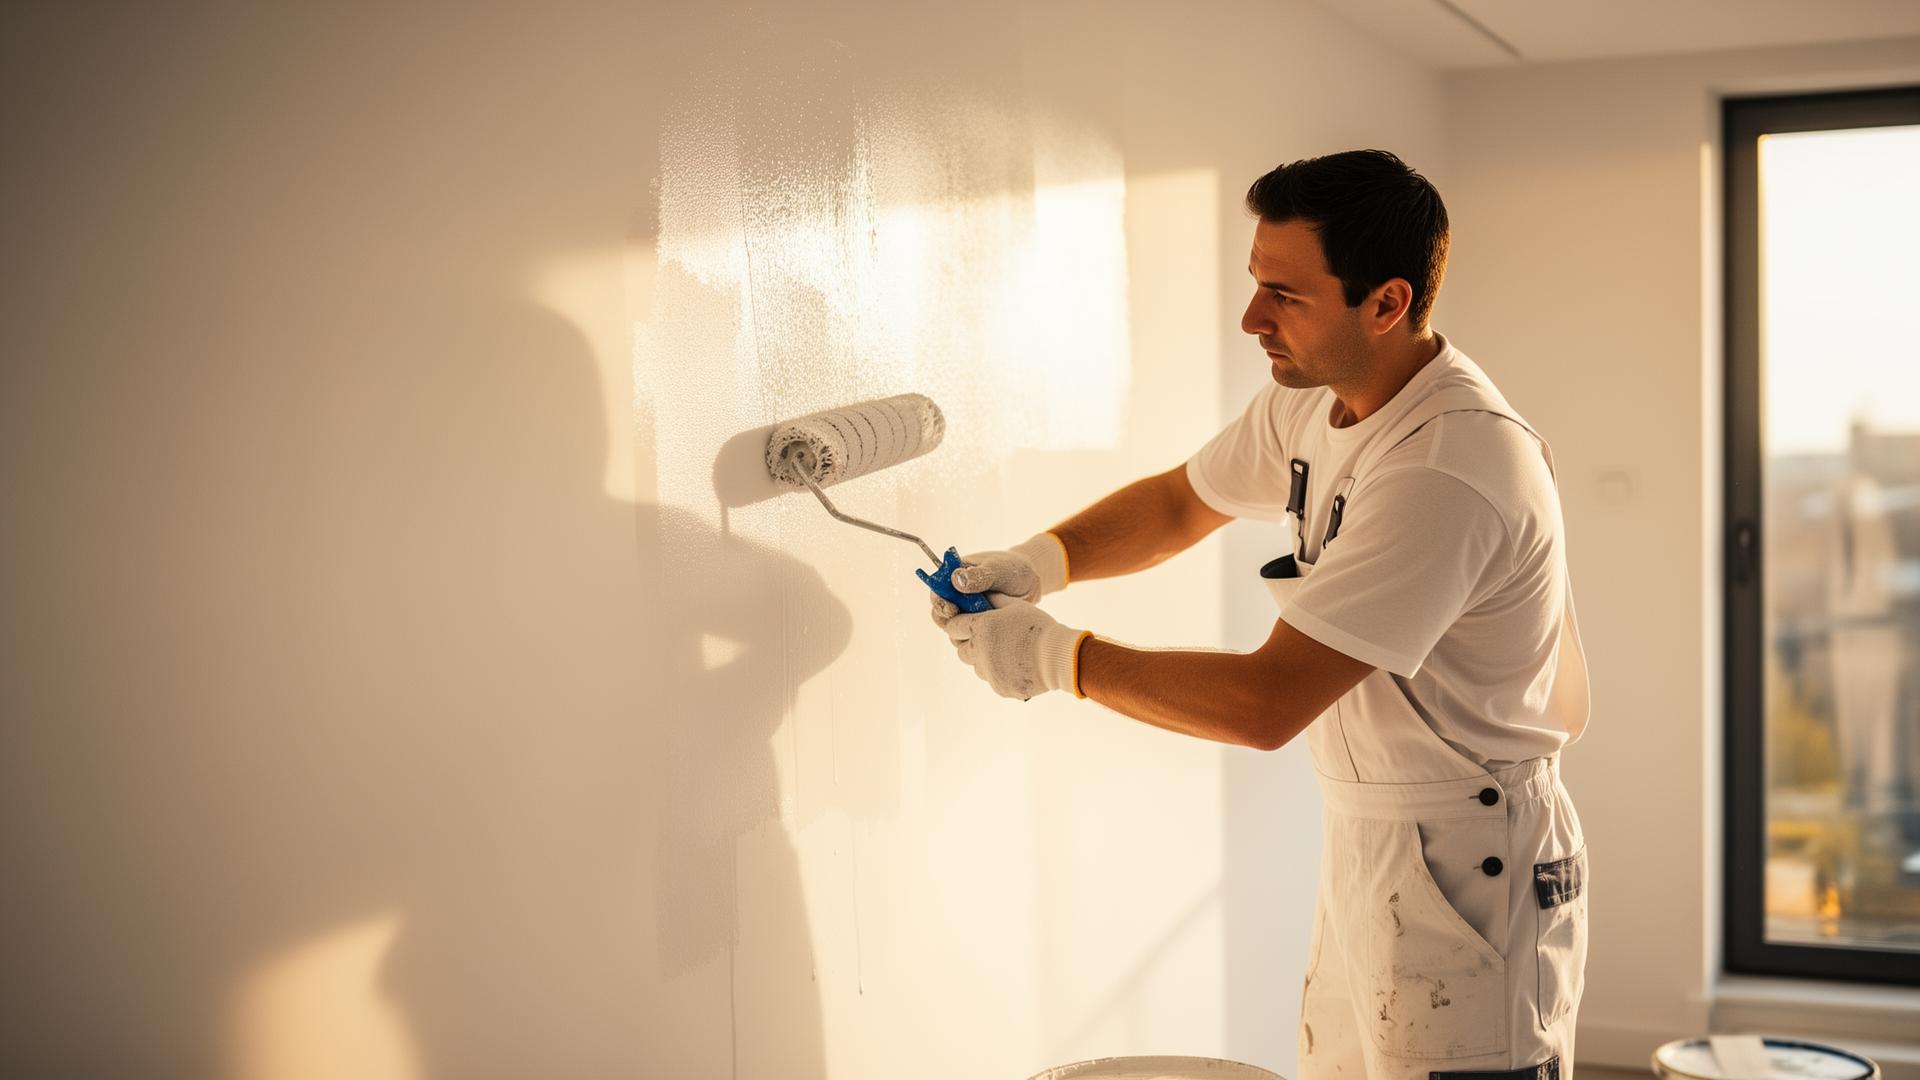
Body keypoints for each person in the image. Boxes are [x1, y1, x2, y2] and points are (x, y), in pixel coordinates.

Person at [933, 149, 1590, 1080]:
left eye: (1284, 295)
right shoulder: (1319, 402)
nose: (1252, 320)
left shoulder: (1445, 468)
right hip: (1375, 841)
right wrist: (1041, 562)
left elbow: (1264, 705)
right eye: (1255, 285)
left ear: (1387, 303)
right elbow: (1177, 503)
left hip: (1473, 859)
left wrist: (1055, 661)